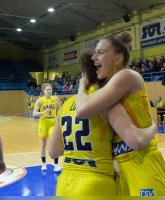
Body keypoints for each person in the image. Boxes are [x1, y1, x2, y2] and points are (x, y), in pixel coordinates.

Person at [49, 52, 157, 196]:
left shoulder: (65, 106)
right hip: (96, 181)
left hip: (64, 183)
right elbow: (134, 140)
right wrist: (153, 128)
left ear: (84, 76)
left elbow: (53, 152)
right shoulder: (107, 103)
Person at [76, 32, 165, 196]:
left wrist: (81, 87)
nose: (93, 57)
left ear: (117, 59)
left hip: (142, 160)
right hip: (120, 164)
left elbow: (82, 110)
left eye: (100, 52)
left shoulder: (126, 76)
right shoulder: (107, 89)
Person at [32, 83, 61, 172]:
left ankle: (56, 165)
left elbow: (60, 110)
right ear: (44, 91)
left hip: (53, 124)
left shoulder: (55, 100)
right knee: (43, 144)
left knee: (54, 143)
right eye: (47, 89)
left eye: (50, 89)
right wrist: (43, 112)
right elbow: (34, 114)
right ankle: (43, 164)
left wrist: (59, 119)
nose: (49, 91)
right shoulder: (40, 101)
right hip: (43, 124)